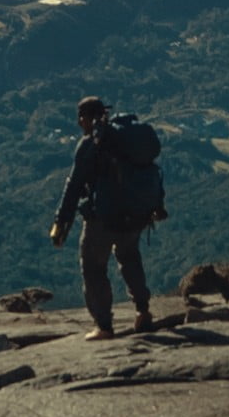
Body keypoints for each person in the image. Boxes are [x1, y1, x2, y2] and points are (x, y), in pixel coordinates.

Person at [48, 93, 163, 336]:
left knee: (93, 267)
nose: (80, 124)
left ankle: (103, 325)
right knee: (130, 256)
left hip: (104, 218)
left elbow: (74, 185)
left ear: (84, 118)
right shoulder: (126, 139)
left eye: (80, 119)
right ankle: (143, 312)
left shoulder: (91, 144)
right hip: (137, 214)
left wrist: (61, 223)